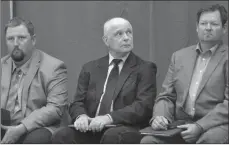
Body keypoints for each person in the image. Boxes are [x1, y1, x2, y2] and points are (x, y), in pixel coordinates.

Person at [52, 17, 157, 144]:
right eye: (119, 33)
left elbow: (143, 106)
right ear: (106, 40)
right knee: (62, 135)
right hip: (91, 128)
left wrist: (109, 118)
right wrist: (81, 116)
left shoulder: (145, 68)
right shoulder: (90, 68)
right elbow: (77, 102)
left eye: (129, 32)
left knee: (112, 136)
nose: (126, 37)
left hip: (124, 127)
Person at [141, 4, 228, 144]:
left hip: (214, 125)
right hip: (181, 123)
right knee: (148, 141)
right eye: (203, 23)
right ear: (197, 27)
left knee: (208, 141)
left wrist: (200, 126)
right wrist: (160, 117)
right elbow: (166, 96)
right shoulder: (179, 57)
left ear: (224, 28)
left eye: (214, 24)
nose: (208, 28)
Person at [1, 17, 68, 144]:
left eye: (21, 38)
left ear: (33, 40)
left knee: (35, 140)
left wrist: (21, 127)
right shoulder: (2, 65)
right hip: (5, 125)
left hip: (39, 127)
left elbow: (55, 108)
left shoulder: (54, 67)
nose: (15, 43)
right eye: (10, 39)